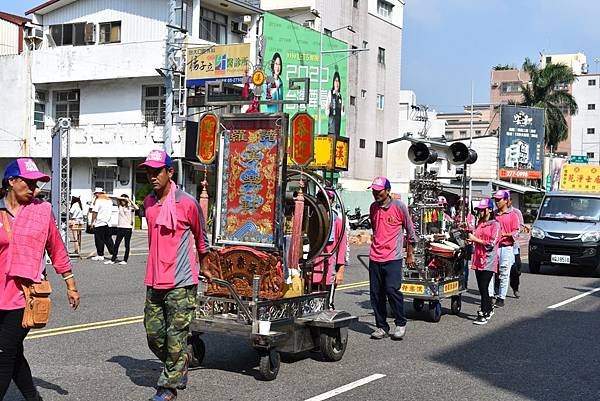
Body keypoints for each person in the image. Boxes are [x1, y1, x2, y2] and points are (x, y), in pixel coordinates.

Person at [0, 158, 80, 401]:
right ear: (11, 181)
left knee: (4, 353)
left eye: (37, 183)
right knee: (14, 352)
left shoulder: (42, 211)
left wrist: (70, 283)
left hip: (25, 294)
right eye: (28, 181)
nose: (34, 188)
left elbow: (56, 248)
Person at [140, 150, 210, 401]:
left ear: (170, 172)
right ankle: (180, 362)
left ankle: (167, 387)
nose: (152, 176)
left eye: (157, 171)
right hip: (155, 278)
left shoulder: (187, 202)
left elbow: (201, 237)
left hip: (181, 281)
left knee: (176, 335)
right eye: (149, 171)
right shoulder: (148, 203)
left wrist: (205, 265)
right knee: (154, 335)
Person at [368, 176, 417, 340]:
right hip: (375, 256)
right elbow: (376, 229)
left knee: (391, 290)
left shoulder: (399, 206)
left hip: (393, 257)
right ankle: (381, 326)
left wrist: (409, 254)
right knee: (376, 294)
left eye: (379, 191)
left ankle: (401, 322)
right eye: (374, 191)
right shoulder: (373, 207)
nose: (376, 194)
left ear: (387, 190)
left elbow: (410, 231)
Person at [312, 190, 348, 310]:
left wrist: (340, 270)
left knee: (328, 302)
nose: (324, 202)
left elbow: (342, 247)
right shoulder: (312, 217)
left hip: (329, 267)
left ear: (332, 201)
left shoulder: (337, 222)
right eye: (321, 198)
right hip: (314, 265)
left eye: (327, 199)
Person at [467, 199, 500, 325]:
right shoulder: (479, 223)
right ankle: (489, 307)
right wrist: (471, 240)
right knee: (481, 287)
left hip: (489, 260)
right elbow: (475, 237)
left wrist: (475, 239)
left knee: (485, 286)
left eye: (482, 209)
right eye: (479, 209)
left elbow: (492, 243)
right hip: (478, 259)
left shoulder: (495, 225)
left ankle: (484, 312)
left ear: (490, 210)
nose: (480, 211)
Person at [491, 190, 520, 308]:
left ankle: (501, 297)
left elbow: (517, 232)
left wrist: (506, 234)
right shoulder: (493, 214)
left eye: (499, 199)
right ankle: (490, 294)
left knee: (504, 272)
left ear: (506, 200)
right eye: (495, 200)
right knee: (491, 272)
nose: (497, 202)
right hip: (494, 247)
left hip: (507, 247)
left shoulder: (513, 215)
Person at [105, 194, 139, 265]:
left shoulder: (130, 207)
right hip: (120, 228)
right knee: (116, 244)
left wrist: (129, 200)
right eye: (122, 200)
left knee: (127, 245)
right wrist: (122, 198)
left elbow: (137, 208)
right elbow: (113, 198)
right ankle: (113, 260)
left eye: (124, 200)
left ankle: (125, 260)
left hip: (128, 229)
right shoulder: (119, 206)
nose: (123, 201)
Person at [507, 196, 527, 298]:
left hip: (514, 246)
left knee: (515, 269)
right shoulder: (496, 213)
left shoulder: (516, 212)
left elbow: (521, 226)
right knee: (498, 269)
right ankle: (497, 292)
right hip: (501, 246)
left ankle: (515, 288)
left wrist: (513, 233)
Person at [90, 187, 115, 261]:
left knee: (99, 239)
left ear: (98, 194)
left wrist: (92, 222)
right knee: (108, 239)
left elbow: (95, 212)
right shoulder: (109, 201)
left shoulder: (98, 201)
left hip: (100, 223)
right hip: (108, 223)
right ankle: (113, 253)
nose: (95, 195)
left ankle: (100, 255)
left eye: (96, 194)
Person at [327, 71, 343, 136]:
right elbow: (327, 111)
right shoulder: (330, 93)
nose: (337, 83)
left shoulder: (340, 96)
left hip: (338, 125)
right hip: (331, 125)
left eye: (338, 81)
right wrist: (328, 106)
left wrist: (342, 108)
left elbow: (342, 113)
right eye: (336, 81)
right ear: (333, 83)